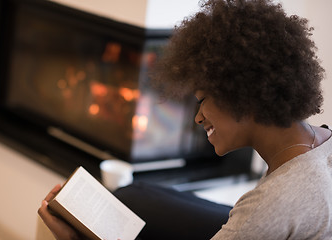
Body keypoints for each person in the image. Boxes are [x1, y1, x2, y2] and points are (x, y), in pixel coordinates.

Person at [38, 0, 332, 239]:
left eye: (203, 99)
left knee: (131, 211)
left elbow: (270, 212)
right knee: (134, 196)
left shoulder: (267, 209)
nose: (198, 117)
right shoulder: (321, 141)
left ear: (244, 93)